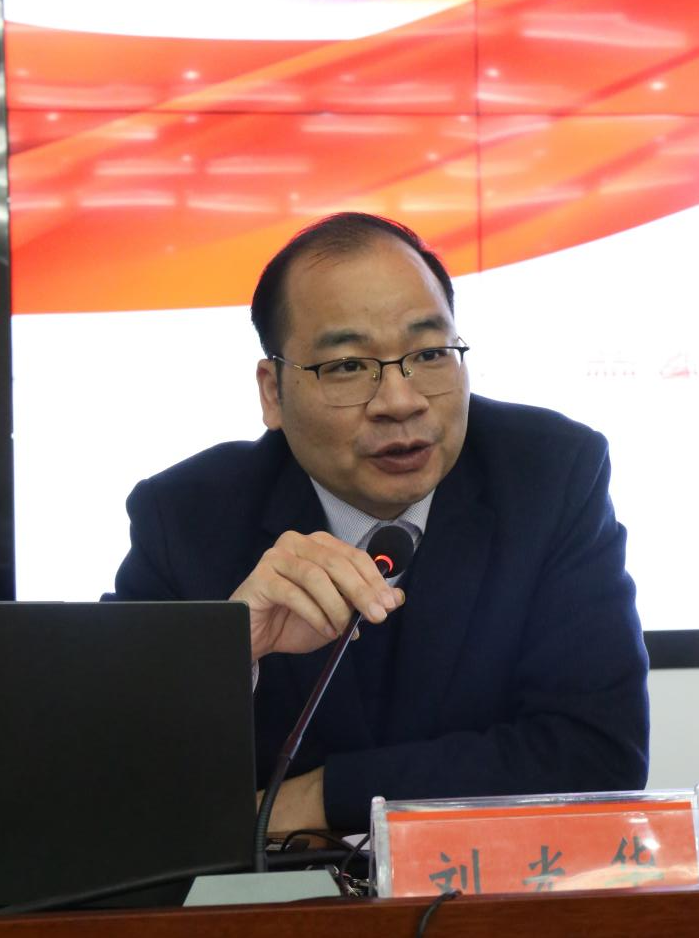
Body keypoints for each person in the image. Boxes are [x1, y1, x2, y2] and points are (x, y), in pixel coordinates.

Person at [108, 213, 649, 831]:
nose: (400, 401)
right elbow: (109, 782)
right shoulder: (185, 518)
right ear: (273, 392)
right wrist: (228, 657)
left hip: (486, 886)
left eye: (430, 354)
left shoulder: (549, 475)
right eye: (347, 366)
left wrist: (313, 801)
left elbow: (597, 755)